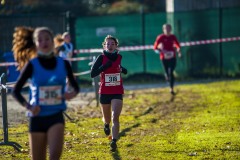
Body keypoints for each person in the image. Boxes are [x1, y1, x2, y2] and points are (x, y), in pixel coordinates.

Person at [12, 26, 80, 160]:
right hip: (37, 117)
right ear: (36, 44)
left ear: (53, 41)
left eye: (47, 39)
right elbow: (16, 91)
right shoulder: (32, 64)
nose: (44, 42)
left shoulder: (64, 63)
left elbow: (76, 86)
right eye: (40, 40)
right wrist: (29, 106)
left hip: (56, 116)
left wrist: (70, 94)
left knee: (54, 157)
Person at [90, 35, 127, 152]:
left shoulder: (119, 57)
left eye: (112, 44)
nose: (110, 46)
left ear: (116, 46)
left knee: (115, 117)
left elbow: (120, 68)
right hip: (105, 92)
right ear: (104, 46)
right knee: (107, 119)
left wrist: (123, 70)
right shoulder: (101, 58)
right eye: (107, 44)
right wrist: (104, 67)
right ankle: (106, 124)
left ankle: (114, 141)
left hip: (117, 91)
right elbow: (92, 73)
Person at [153, 23, 181, 95]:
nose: (167, 30)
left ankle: (171, 88)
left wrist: (178, 50)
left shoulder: (173, 37)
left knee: (171, 72)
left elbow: (178, 45)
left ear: (171, 29)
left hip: (172, 57)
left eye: (169, 28)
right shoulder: (160, 37)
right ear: (163, 30)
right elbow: (155, 47)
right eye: (166, 29)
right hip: (164, 58)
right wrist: (160, 49)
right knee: (168, 73)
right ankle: (167, 76)